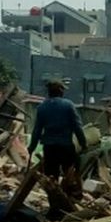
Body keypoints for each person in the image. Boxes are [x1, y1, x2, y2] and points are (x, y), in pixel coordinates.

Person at [28, 80, 87, 212]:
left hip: (50, 148)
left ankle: (54, 206)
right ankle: (72, 204)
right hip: (66, 146)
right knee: (71, 175)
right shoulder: (68, 105)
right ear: (61, 91)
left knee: (51, 178)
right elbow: (77, 127)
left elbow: (37, 130)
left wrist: (32, 146)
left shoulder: (42, 107)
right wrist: (83, 143)